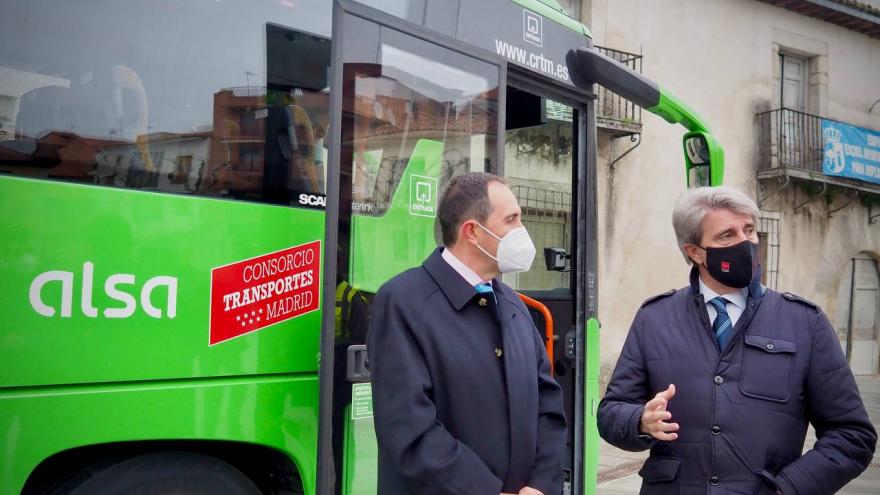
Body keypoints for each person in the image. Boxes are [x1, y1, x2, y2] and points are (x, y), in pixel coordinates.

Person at [598, 186, 876, 494]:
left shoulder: (804, 322)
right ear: (694, 252)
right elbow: (611, 413)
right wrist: (640, 420)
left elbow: (852, 435)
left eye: (749, 230)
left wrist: (788, 488)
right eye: (727, 236)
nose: (746, 244)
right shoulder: (655, 317)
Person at [368, 172, 567, 495]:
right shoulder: (404, 302)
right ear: (472, 231)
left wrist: (541, 484)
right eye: (512, 220)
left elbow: (548, 405)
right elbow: (409, 429)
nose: (522, 232)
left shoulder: (513, 305)